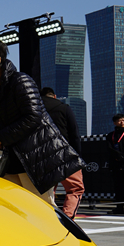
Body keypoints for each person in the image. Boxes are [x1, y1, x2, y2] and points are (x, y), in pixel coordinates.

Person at [0, 39, 83, 206]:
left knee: (40, 212)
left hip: (34, 160)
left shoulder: (20, 81)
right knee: (9, 211)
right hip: (11, 162)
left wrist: (0, 137)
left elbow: (33, 117)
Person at [41, 87, 86, 218]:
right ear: (54, 96)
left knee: (47, 190)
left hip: (43, 155)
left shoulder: (35, 108)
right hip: (65, 153)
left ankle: (47, 218)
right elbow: (74, 134)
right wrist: (77, 156)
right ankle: (68, 219)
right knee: (75, 189)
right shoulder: (64, 108)